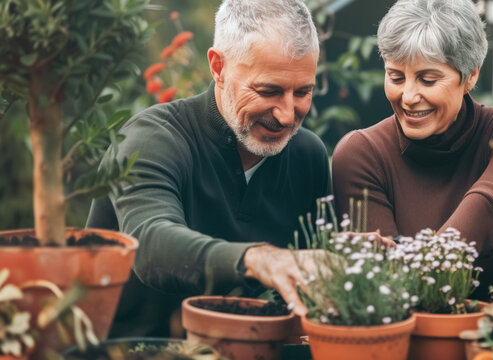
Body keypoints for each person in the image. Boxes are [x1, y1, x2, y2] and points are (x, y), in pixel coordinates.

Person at [86, 0, 329, 337]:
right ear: (218, 67)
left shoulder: (308, 156)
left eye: (303, 92)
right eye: (268, 90)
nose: (287, 115)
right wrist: (258, 260)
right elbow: (150, 243)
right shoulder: (152, 139)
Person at [332, 0, 493, 302]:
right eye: (395, 77)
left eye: (427, 79)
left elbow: (487, 205)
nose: (408, 97)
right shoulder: (361, 154)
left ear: (470, 76)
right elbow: (383, 291)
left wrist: (411, 256)